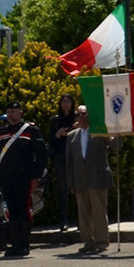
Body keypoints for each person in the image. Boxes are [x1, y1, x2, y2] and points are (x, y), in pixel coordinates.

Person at [0, 100, 48, 257]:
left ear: (21, 113)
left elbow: (41, 155)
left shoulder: (30, 130)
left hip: (23, 176)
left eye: (14, 111)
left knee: (24, 210)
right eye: (9, 111)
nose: (11, 114)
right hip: (7, 177)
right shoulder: (1, 133)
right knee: (11, 210)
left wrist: (36, 176)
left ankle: (24, 244)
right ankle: (15, 245)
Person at [67, 103, 114, 254]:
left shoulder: (99, 132)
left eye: (83, 114)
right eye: (77, 114)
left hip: (98, 178)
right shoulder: (71, 136)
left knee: (99, 212)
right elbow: (69, 162)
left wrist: (114, 133)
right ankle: (88, 242)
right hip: (80, 180)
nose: (80, 117)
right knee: (83, 214)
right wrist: (70, 183)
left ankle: (101, 241)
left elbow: (117, 146)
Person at [48, 93, 77, 231]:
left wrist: (72, 129)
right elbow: (51, 142)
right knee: (62, 190)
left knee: (78, 188)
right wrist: (58, 134)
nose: (65, 104)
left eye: (68, 101)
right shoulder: (55, 120)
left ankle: (79, 220)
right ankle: (64, 220)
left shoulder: (77, 118)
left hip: (75, 156)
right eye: (63, 101)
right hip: (60, 156)